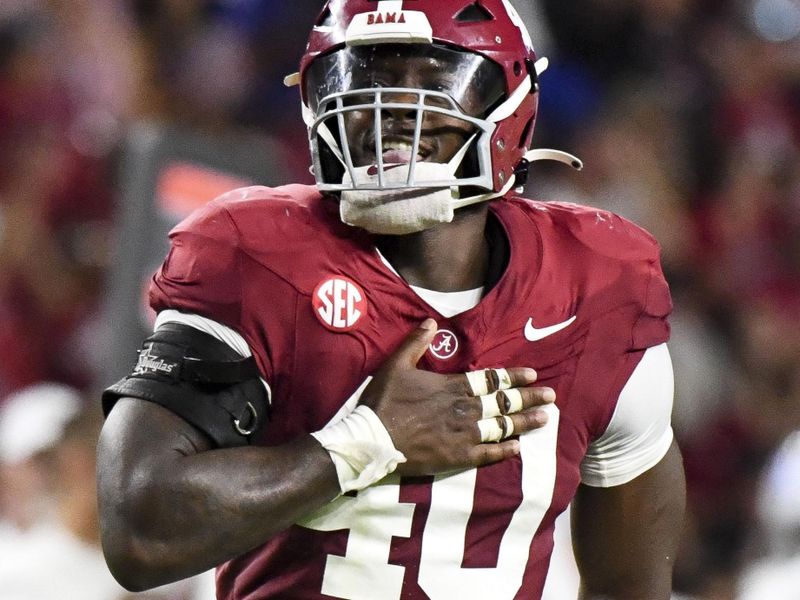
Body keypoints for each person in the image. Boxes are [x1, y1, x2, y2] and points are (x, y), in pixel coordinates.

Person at [97, 1, 685, 598]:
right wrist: (365, 443)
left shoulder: (597, 286)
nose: (396, 110)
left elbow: (628, 584)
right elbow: (138, 533)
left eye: (435, 80)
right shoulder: (256, 259)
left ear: (510, 105)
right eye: (368, 78)